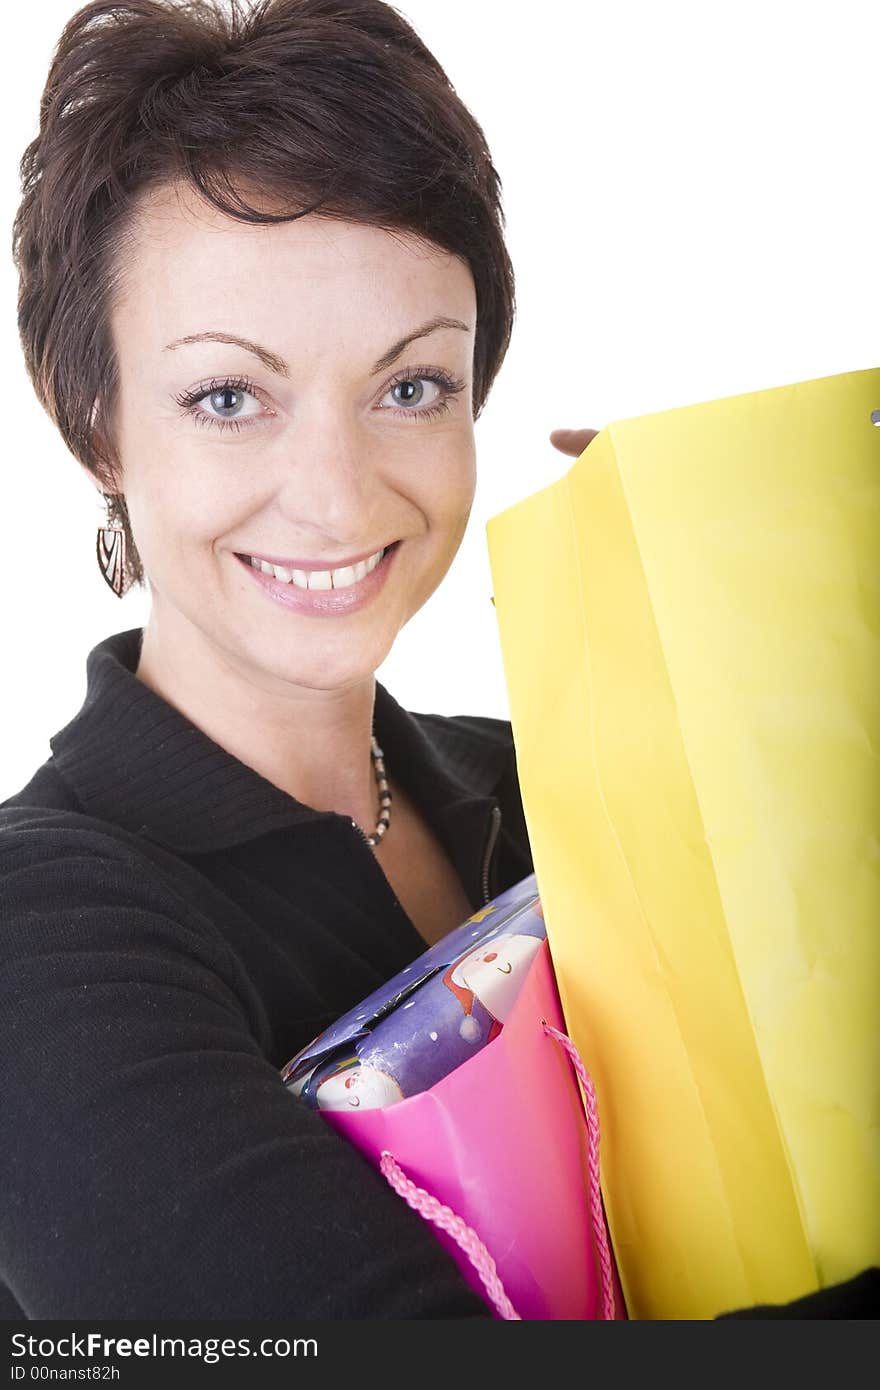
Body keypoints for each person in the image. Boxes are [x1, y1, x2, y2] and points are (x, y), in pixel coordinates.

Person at [0, 0, 600, 1320]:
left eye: (410, 387)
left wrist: (746, 640)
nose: (336, 498)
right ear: (95, 425)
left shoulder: (558, 779)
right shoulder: (37, 933)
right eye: (230, 397)